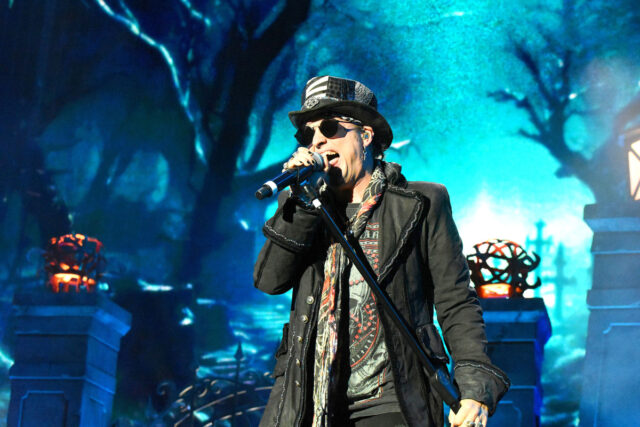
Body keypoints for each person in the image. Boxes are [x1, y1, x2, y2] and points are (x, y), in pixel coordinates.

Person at [254, 76, 510, 427]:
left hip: (393, 398)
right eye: (308, 134)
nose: (317, 141)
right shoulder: (303, 207)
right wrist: (301, 204)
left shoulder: (421, 203)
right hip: (311, 401)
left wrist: (474, 385)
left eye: (329, 128)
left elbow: (455, 300)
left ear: (365, 135)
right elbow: (269, 281)